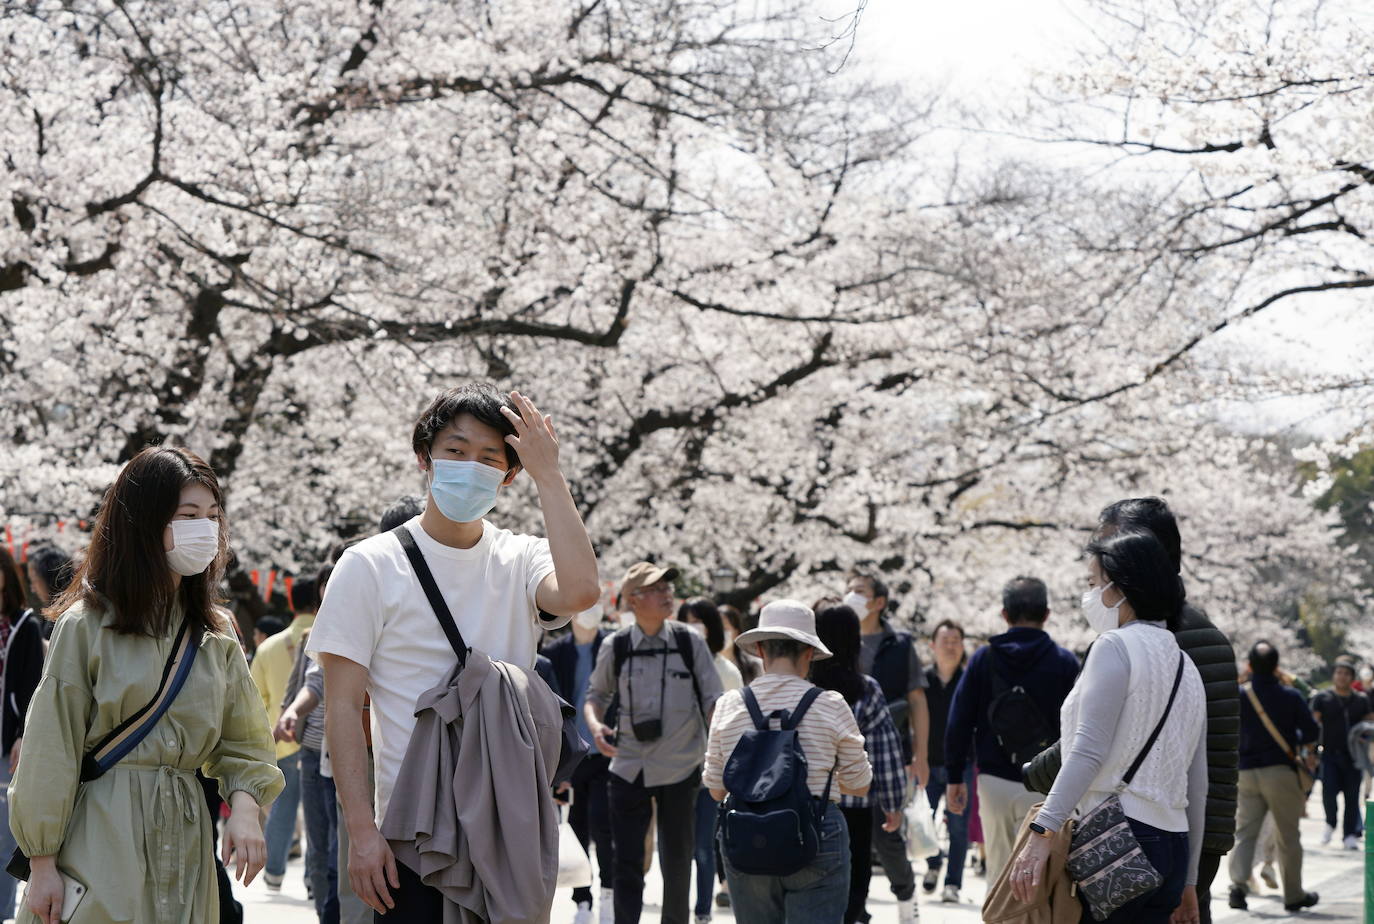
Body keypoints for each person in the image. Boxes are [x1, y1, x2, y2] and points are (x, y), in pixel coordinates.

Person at [309, 385, 599, 919]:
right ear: (425, 458)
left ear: (510, 475)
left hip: (508, 827)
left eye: (491, 458)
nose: (471, 466)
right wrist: (361, 834)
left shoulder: (522, 555)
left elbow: (581, 591)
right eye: (455, 450)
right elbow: (344, 707)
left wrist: (550, 475)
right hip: (413, 831)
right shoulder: (368, 565)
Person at [10, 446, 284, 923]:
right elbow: (50, 747)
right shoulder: (87, 626)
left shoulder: (216, 632)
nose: (206, 529)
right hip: (100, 831)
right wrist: (42, 861)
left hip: (187, 834)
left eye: (213, 516)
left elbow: (245, 742)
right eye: (188, 515)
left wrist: (244, 807)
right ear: (144, 522)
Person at [1022, 496, 1240, 924]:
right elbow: (1200, 782)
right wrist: (1192, 877)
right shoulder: (1186, 661)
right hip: (1175, 843)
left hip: (1120, 836)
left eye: (1094, 582)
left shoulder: (1115, 646)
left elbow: (1087, 749)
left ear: (1123, 580)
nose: (1089, 593)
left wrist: (1042, 830)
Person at [703, 600, 873, 923]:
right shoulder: (831, 705)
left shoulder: (728, 706)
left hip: (747, 836)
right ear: (809, 653)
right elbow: (861, 784)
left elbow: (715, 789)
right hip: (817, 832)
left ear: (762, 651)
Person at [583, 564, 724, 924]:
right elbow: (595, 695)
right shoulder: (617, 645)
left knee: (678, 860)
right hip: (629, 765)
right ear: (633, 600)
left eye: (667, 587)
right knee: (626, 861)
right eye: (656, 588)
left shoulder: (688, 641)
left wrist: (719, 749)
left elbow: (712, 699)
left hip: (681, 765)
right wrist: (597, 726)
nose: (668, 594)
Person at [944, 576, 1079, 884]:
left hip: (994, 779)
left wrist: (954, 776)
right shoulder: (1064, 663)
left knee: (1000, 869)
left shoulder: (984, 659)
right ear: (1047, 614)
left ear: (1004, 614)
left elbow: (959, 719)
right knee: (1041, 875)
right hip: (1048, 782)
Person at [808, 603, 908, 924]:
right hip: (855, 805)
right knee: (852, 887)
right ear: (855, 641)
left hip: (804, 804)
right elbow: (886, 752)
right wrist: (893, 804)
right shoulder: (866, 690)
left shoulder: (802, 689)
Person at [841, 572, 927, 912]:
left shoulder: (900, 643)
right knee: (849, 834)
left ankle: (905, 895)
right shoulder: (837, 639)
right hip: (845, 753)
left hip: (889, 752)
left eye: (859, 591)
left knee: (887, 835)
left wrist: (920, 754)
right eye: (848, 589)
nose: (851, 596)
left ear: (878, 602)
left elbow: (917, 699)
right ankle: (855, 909)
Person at [1228, 641, 1321, 912]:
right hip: (1280, 771)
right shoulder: (1290, 696)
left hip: (1246, 772)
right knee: (1287, 836)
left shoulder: (1240, 695)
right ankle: (1293, 895)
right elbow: (1312, 732)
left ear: (1249, 666)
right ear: (1277, 667)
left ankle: (1237, 887)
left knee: (1245, 832)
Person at [542, 606, 615, 924]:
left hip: (609, 753)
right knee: (578, 827)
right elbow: (556, 707)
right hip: (575, 756)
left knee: (605, 824)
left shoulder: (612, 645)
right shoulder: (556, 651)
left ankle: (609, 894)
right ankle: (582, 899)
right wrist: (560, 768)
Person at [276, 567, 339, 924]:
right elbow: (305, 684)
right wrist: (286, 719)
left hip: (349, 752)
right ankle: (323, 913)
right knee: (318, 848)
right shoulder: (313, 636)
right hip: (313, 754)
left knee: (335, 848)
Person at [677, 597, 742, 924]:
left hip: (711, 771)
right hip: (673, 768)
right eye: (686, 620)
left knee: (703, 847)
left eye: (698, 620)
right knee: (676, 848)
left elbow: (738, 725)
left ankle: (702, 912)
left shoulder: (727, 671)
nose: (693, 627)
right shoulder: (672, 663)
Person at [250, 578, 318, 890]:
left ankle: (274, 872)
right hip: (321, 737)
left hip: (281, 738)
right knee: (323, 815)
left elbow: (255, 700)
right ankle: (313, 879)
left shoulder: (268, 647)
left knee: (283, 808)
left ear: (290, 603)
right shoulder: (330, 636)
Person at [0, 547, 44, 920]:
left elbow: (31, 688)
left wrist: (20, 735)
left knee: (3, 840)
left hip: (7, 745)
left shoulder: (25, 625)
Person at [922, 618, 970, 904]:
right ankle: (933, 863)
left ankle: (953, 883)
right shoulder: (921, 681)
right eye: (945, 641)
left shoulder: (969, 680)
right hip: (927, 763)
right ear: (932, 646)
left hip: (961, 766)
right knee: (922, 821)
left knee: (958, 826)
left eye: (956, 641)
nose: (950, 646)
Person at [1310, 655, 1371, 849]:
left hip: (1353, 756)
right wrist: (1310, 750)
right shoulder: (1322, 698)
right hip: (1329, 754)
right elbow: (1313, 724)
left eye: (1346, 674)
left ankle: (1349, 835)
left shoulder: (1360, 700)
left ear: (1352, 678)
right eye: (1339, 672)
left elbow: (1369, 723)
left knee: (1352, 796)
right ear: (1334, 675)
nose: (1342, 677)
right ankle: (1330, 823)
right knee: (1328, 793)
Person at [719, 604, 761, 685]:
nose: (719, 634)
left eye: (725, 629)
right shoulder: (706, 666)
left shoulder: (753, 666)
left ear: (736, 632)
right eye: (716, 629)